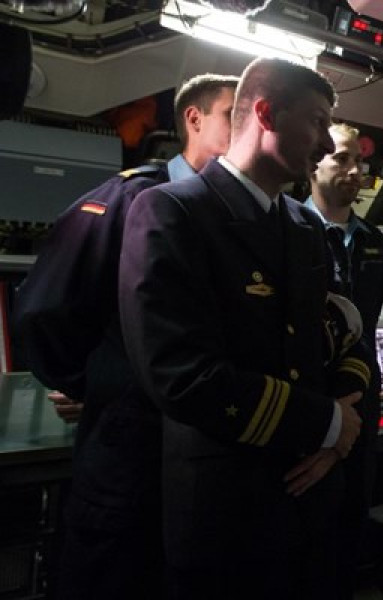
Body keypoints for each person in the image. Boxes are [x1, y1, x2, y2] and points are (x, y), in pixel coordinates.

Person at [117, 57, 366, 600]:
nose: (326, 145)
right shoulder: (171, 212)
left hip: (311, 496)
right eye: (317, 122)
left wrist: (339, 430)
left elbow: (343, 337)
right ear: (266, 112)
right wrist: (325, 422)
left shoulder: (303, 227)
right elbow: (180, 375)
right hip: (226, 510)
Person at [13, 73, 238, 600]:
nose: (247, 125)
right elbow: (46, 306)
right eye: (234, 113)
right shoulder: (132, 197)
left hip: (203, 460)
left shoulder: (238, 218)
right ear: (194, 118)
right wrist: (98, 381)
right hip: (128, 457)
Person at [304, 122, 383, 598]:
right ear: (312, 161)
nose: (355, 170)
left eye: (360, 162)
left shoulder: (374, 241)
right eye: (341, 159)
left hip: (365, 396)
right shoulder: (287, 229)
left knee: (353, 514)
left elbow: (369, 324)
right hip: (311, 398)